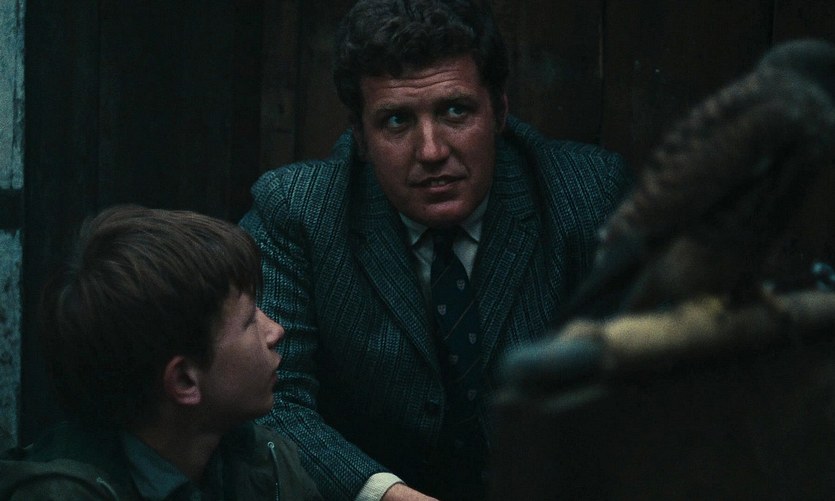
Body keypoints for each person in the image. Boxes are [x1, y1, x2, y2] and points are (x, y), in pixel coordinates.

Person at [240, 0, 631, 499]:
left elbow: (648, 390)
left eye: (455, 111)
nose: (431, 151)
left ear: (500, 111)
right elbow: (270, 399)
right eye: (396, 121)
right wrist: (386, 495)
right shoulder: (298, 213)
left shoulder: (587, 197)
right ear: (360, 136)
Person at [0, 205, 322, 500]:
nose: (275, 330)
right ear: (184, 380)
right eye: (250, 321)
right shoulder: (61, 494)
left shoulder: (267, 463)